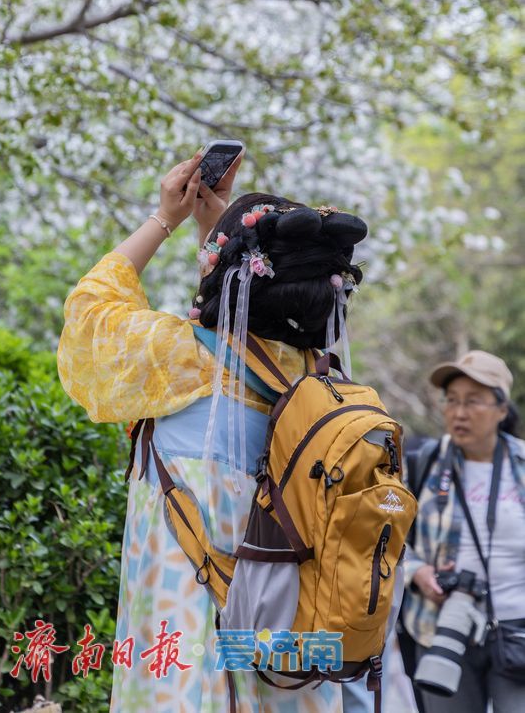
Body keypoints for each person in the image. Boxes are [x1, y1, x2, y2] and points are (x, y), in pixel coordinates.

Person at [57, 152, 368, 713]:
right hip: (281, 640)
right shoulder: (314, 388)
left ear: (224, 280)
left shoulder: (178, 358)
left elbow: (90, 309)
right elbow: (238, 318)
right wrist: (219, 233)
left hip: (187, 623)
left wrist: (166, 219)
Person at [402, 350, 525, 713]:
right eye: (452, 401)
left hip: (517, 629)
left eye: (473, 402)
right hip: (442, 628)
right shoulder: (420, 464)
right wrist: (417, 572)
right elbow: (388, 544)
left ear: (502, 409)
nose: (459, 412)